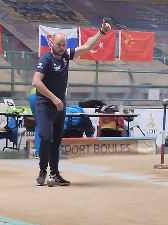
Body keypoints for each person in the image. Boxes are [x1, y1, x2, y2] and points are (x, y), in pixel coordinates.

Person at [32, 20, 112, 186]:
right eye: (59, 44)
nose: (62, 47)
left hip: (60, 105)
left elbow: (87, 46)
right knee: (46, 137)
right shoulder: (45, 59)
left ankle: (54, 174)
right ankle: (42, 171)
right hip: (45, 104)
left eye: (64, 45)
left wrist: (101, 33)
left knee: (56, 139)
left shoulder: (66, 55)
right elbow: (36, 82)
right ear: (52, 42)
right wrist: (54, 99)